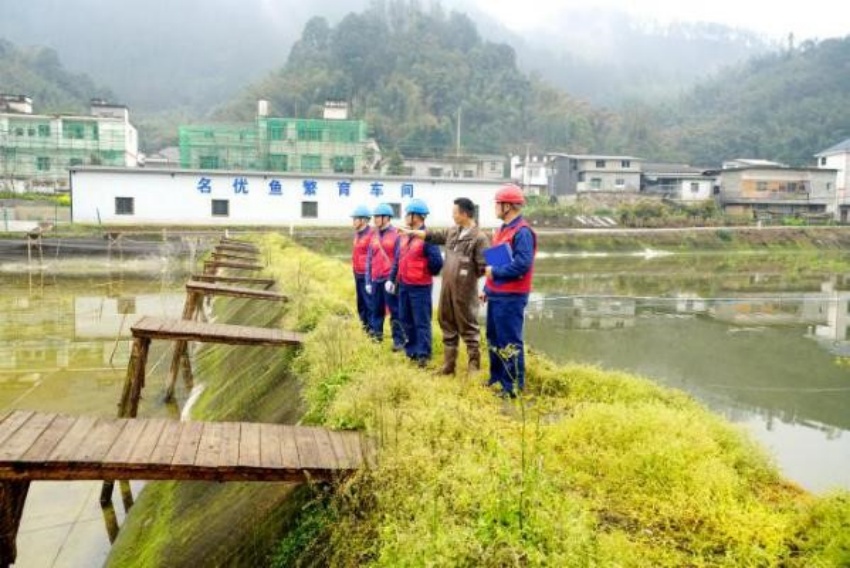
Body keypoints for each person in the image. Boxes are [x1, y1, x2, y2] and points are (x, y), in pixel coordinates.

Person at [408, 197, 489, 375]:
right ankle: (448, 366)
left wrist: (486, 288)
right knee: (446, 323)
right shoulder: (453, 231)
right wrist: (413, 232)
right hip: (447, 288)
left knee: (469, 327)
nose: (452, 216)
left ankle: (473, 367)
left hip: (465, 291)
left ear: (464, 214)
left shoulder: (480, 237)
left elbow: (488, 268)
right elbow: (433, 236)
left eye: (455, 213)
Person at [482, 184, 537, 397]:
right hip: (497, 293)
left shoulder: (522, 232)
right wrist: (487, 287)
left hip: (512, 295)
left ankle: (512, 386)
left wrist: (494, 273)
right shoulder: (503, 230)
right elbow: (497, 260)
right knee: (494, 337)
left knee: (509, 340)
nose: (495, 207)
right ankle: (497, 378)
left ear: (508, 206)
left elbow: (522, 264)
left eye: (498, 203)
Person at [392, 199, 443, 367]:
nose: (406, 216)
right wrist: (394, 279)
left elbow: (436, 262)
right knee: (406, 318)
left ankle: (423, 354)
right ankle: (412, 350)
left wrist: (424, 273)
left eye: (408, 213)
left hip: (420, 286)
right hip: (405, 284)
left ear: (417, 216)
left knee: (421, 321)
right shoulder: (405, 236)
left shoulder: (426, 237)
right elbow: (399, 259)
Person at [365, 203, 403, 349]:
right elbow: (369, 259)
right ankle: (376, 338)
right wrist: (368, 281)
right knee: (376, 310)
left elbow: (398, 258)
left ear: (386, 218)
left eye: (377, 217)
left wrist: (392, 280)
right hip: (376, 279)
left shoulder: (396, 235)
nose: (375, 220)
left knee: (395, 311)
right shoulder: (374, 236)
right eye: (374, 217)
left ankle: (398, 341)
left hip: (389, 280)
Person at [350, 205, 373, 332]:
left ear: (363, 220)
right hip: (357, 273)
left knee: (369, 303)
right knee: (361, 303)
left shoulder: (371, 235)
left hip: (367, 275)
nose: (353, 221)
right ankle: (363, 327)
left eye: (355, 219)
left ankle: (372, 331)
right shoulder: (358, 234)